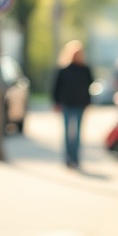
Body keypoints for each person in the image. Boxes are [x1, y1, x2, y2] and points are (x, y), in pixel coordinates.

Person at [51, 40, 94, 169]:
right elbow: (56, 87)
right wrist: (56, 102)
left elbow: (90, 86)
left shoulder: (85, 69)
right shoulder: (63, 69)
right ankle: (68, 157)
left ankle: (76, 158)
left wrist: (88, 101)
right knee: (67, 133)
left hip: (80, 104)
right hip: (66, 104)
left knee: (78, 134)